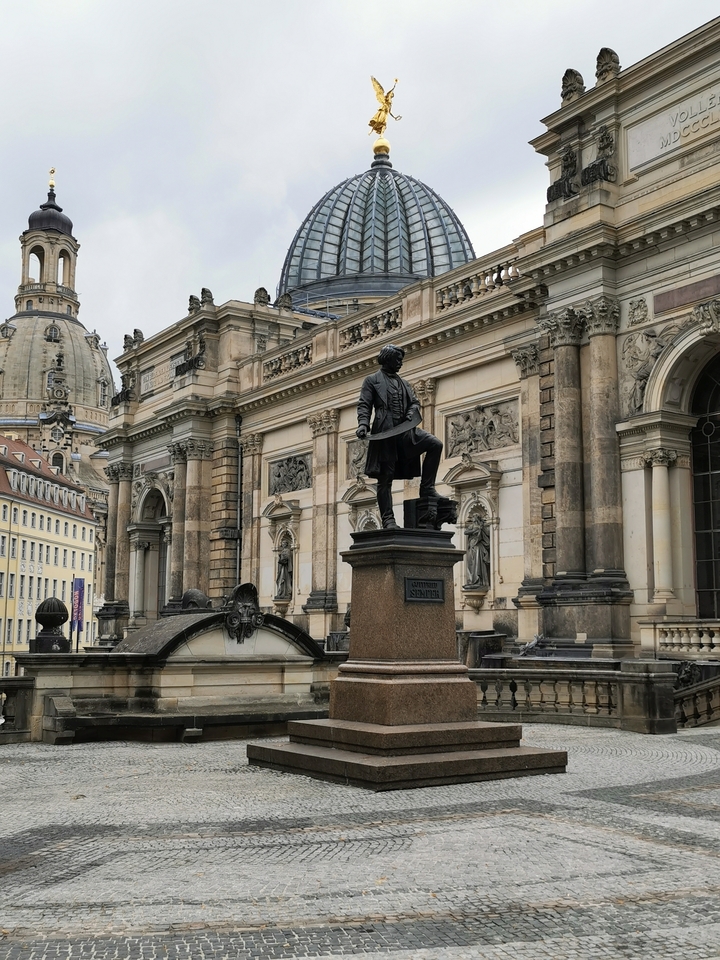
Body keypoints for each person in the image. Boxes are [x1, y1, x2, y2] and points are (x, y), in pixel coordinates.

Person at [356, 344, 443, 529]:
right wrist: (363, 424)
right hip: (385, 432)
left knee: (435, 444)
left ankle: (427, 489)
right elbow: (364, 404)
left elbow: (414, 403)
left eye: (401, 360)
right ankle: (388, 519)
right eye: (398, 360)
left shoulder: (404, 383)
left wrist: (412, 412)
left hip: (405, 431)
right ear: (387, 359)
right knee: (385, 476)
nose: (400, 363)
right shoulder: (371, 380)